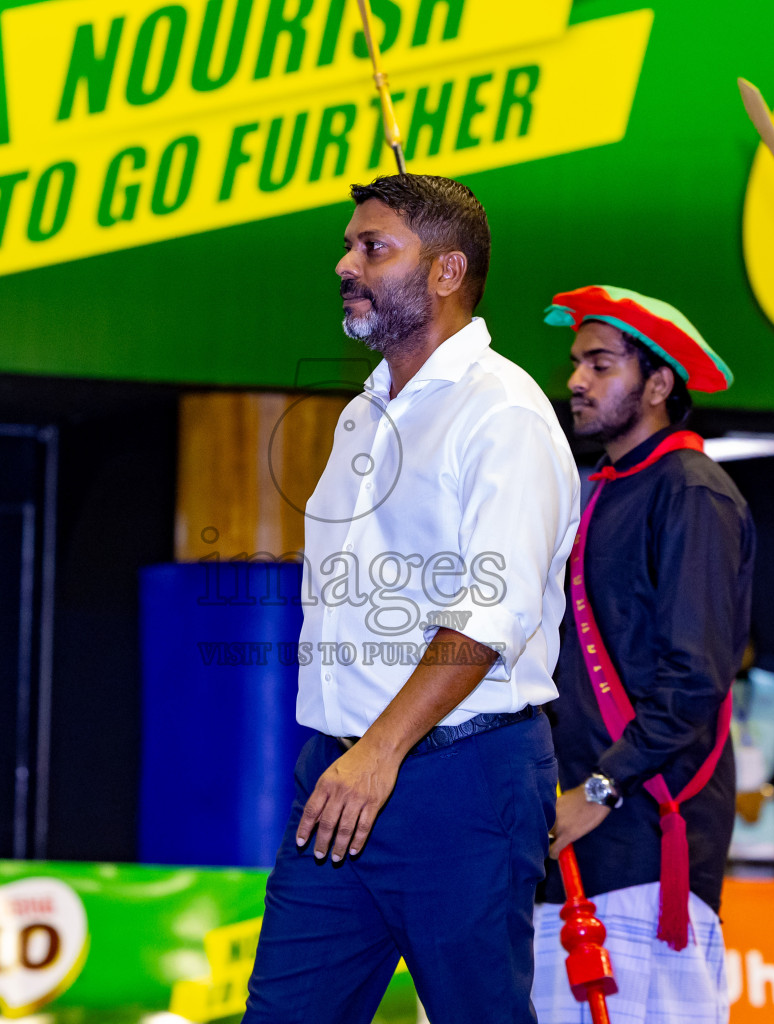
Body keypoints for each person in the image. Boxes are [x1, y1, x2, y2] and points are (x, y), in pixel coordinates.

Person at [243, 175, 579, 1023]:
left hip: (458, 776)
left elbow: (491, 612)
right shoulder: (367, 410)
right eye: (351, 244)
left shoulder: (503, 412)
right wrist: (348, 756)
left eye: (372, 247)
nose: (343, 264)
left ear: (446, 271)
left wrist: (380, 751)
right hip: (341, 773)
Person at [532, 285, 752, 1024]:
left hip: (642, 849)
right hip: (564, 852)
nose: (576, 381)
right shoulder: (595, 489)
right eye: (575, 363)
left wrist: (597, 792)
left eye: (600, 363)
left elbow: (694, 679)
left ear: (659, 384)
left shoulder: (693, 492)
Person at [729, 642, 774, 864]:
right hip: (719, 803)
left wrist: (765, 792)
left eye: (747, 644)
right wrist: (732, 798)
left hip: (764, 807)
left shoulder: (773, 686)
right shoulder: (707, 685)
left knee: (763, 883)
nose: (742, 652)